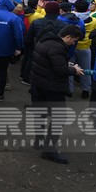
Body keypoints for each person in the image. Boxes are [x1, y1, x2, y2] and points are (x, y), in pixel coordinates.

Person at [29, 25, 84, 164]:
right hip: (51, 87)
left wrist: (66, 64)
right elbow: (60, 70)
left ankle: (39, 140)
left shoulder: (44, 40)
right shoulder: (57, 47)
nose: (73, 43)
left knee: (40, 113)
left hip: (38, 83)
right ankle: (49, 150)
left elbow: (50, 62)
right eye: (74, 40)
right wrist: (73, 70)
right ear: (67, 37)